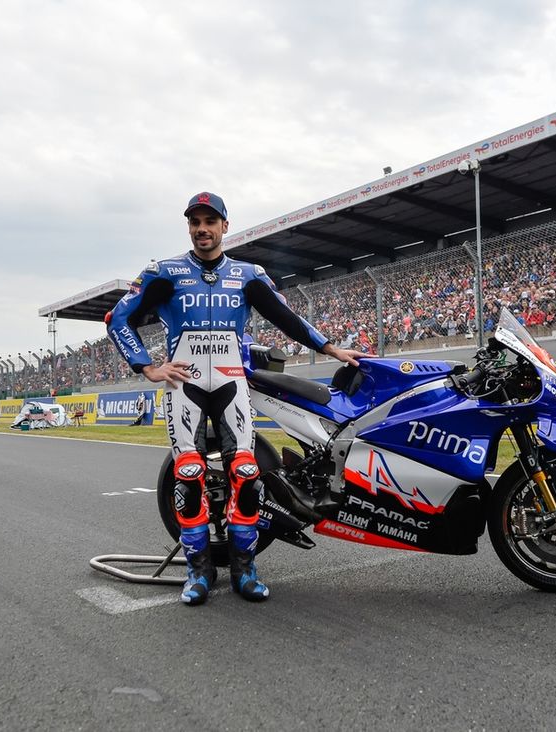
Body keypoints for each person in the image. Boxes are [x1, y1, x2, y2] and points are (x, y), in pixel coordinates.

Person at [106, 191, 365, 606]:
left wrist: (331, 348)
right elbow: (117, 317)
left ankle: (245, 569)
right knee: (188, 473)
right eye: (195, 222)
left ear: (225, 226)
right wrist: (146, 366)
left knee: (246, 470)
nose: (202, 229)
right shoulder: (164, 271)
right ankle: (199, 571)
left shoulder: (248, 274)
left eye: (211, 221)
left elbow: (288, 319)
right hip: (183, 384)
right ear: (189, 227)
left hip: (232, 381)